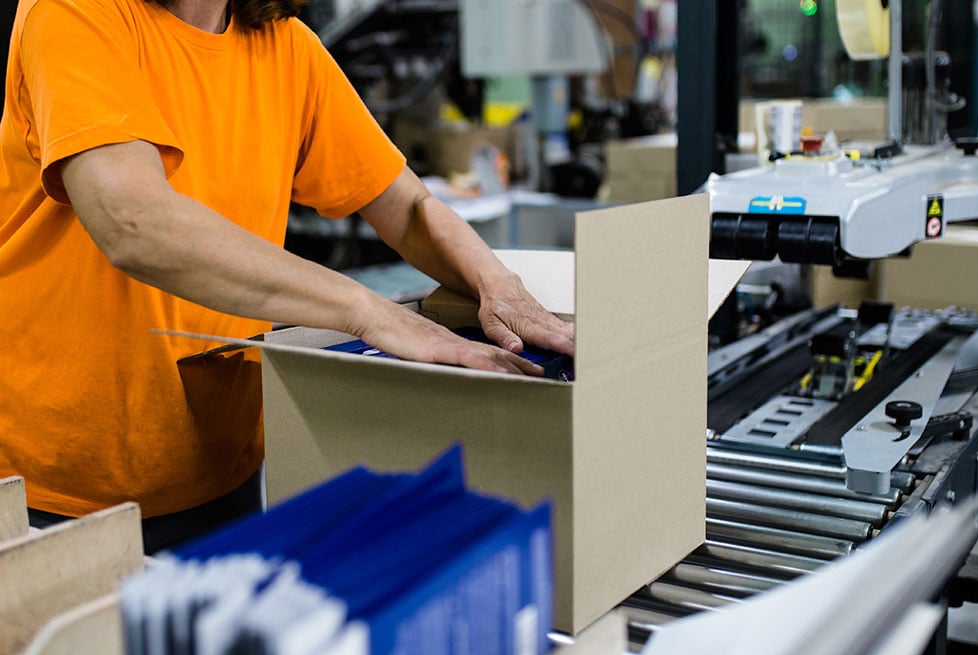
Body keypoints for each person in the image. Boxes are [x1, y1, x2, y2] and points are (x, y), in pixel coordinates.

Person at [0, 0, 575, 551]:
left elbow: (406, 207)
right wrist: (370, 311)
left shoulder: (287, 48)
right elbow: (133, 221)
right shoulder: (75, 11)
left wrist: (498, 285)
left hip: (221, 472)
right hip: (57, 492)